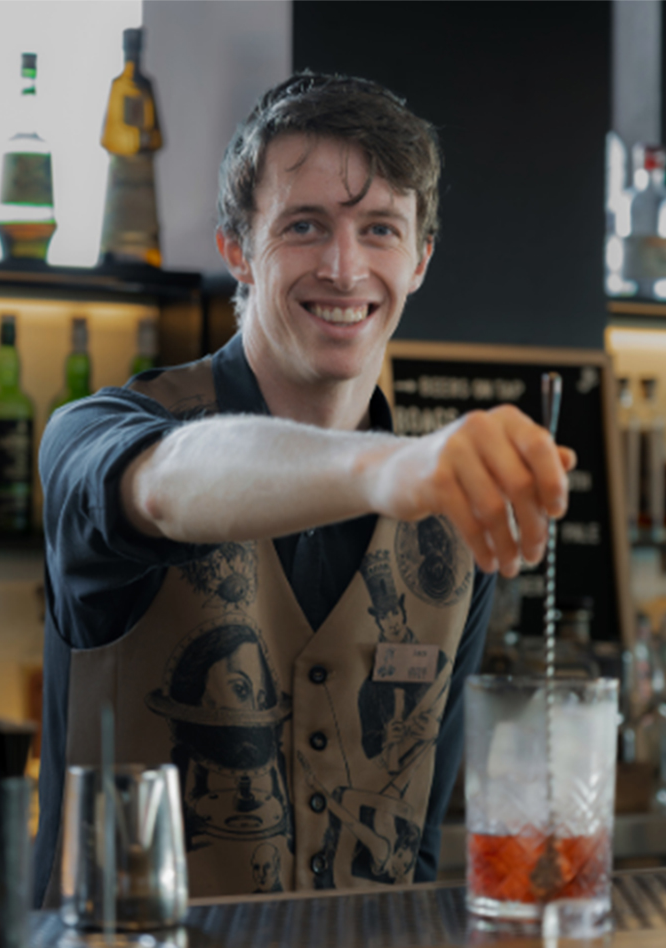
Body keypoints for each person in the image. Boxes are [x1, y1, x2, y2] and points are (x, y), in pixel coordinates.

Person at [34, 72, 575, 905]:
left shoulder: (453, 523)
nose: (344, 266)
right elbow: (167, 486)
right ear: (236, 249)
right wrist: (383, 466)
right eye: (304, 225)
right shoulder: (99, 433)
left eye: (381, 230)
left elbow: (416, 845)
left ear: (421, 261)